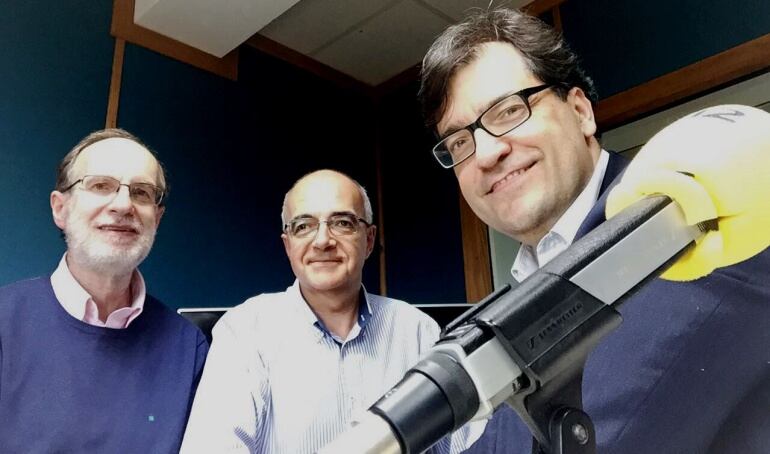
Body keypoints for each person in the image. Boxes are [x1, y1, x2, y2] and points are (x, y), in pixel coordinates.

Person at [418, 8, 770, 454]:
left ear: (581, 111)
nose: (485, 153)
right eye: (460, 142)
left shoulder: (687, 226)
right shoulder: (528, 282)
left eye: (508, 111)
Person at [181, 169, 483, 453]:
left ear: (368, 240)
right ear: (288, 246)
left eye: (342, 223)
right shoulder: (245, 332)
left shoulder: (417, 331)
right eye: (304, 226)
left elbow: (467, 446)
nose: (323, 241)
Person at [0, 129, 208, 453]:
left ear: (158, 218)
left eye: (141, 192)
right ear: (60, 209)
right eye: (100, 185)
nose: (124, 204)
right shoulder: (4, 323)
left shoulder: (187, 347)